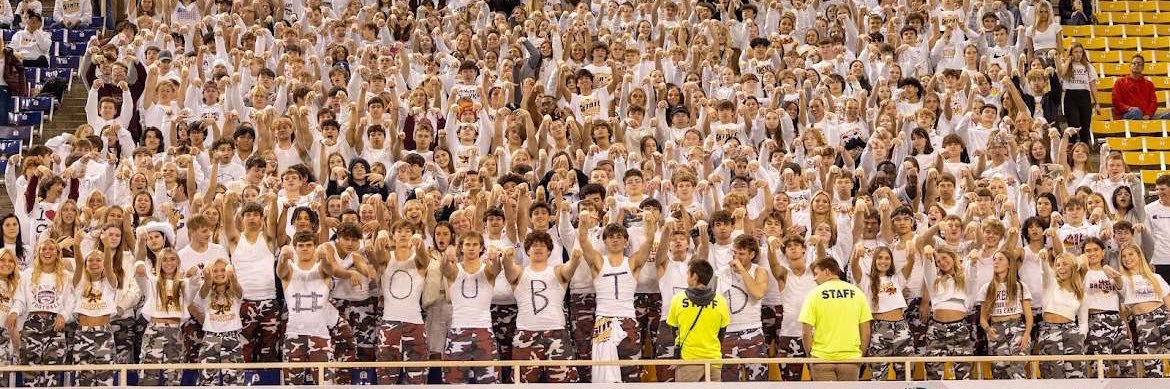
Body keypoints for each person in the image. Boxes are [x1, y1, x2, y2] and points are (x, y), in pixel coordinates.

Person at [798, 257, 872, 382]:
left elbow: (806, 333)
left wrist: (812, 356)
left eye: (816, 274)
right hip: (850, 358)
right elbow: (866, 332)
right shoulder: (858, 293)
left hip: (822, 359)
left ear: (827, 271)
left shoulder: (814, 294)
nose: (814, 278)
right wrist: (860, 355)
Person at [666, 259, 729, 382]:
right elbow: (721, 334)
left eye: (688, 273)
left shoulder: (678, 299)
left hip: (688, 361)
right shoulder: (721, 301)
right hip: (714, 361)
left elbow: (674, 331)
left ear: (694, 276)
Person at [1112, 54, 1170, 120]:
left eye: (1139, 64)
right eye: (1134, 63)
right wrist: (1129, 108)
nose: (1136, 65)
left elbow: (1153, 103)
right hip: (1128, 114)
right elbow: (1116, 101)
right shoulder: (1120, 82)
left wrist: (1148, 114)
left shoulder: (1149, 84)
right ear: (1130, 66)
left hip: (1146, 116)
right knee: (1136, 112)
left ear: (1143, 67)